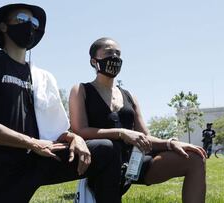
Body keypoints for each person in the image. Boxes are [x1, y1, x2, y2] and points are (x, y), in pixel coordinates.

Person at [0, 4, 122, 203]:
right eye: (22, 18)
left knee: (106, 150)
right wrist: (32, 143)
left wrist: (76, 139)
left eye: (35, 22)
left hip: (39, 158)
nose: (30, 25)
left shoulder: (42, 76)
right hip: (3, 168)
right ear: (4, 26)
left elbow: (54, 128)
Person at [69, 37, 207, 203]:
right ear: (94, 61)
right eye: (108, 53)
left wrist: (170, 143)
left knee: (195, 159)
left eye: (117, 54)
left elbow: (144, 137)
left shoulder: (129, 96)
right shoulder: (81, 90)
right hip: (102, 162)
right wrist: (122, 133)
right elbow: (79, 130)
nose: (114, 57)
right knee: (109, 152)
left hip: (134, 163)